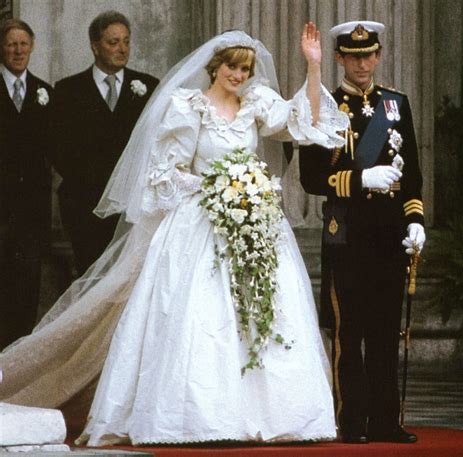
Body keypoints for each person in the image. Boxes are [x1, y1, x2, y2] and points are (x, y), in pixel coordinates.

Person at [0, 24, 349, 445]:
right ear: (215, 68)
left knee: (262, 314)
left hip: (254, 220)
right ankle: (200, 416)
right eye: (233, 69)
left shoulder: (256, 102)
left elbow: (304, 122)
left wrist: (313, 66)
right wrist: (217, 189)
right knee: (199, 318)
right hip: (200, 223)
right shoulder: (189, 107)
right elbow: (167, 174)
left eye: (246, 70)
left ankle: (270, 414)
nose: (239, 77)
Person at [299, 21, 425, 444]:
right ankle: (351, 421)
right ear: (339, 58)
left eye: (369, 55)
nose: (363, 63)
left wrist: (415, 221)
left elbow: (413, 177)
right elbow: (312, 177)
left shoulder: (396, 104)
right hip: (348, 236)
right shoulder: (324, 106)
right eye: (354, 57)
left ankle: (387, 421)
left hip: (390, 235)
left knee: (387, 332)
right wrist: (360, 179)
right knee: (349, 334)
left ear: (379, 55)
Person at [50, 10, 159, 276]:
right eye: (113, 42)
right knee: (91, 278)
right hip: (84, 203)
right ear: (95, 46)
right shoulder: (67, 90)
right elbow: (57, 147)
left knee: (127, 280)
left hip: (131, 205)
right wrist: (94, 182)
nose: (122, 49)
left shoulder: (148, 86)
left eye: (126, 41)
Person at [0, 19, 53, 350]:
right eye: (10, 44)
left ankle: (17, 361)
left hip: (31, 213)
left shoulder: (46, 92)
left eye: (23, 44)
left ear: (32, 47)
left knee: (27, 289)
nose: (18, 51)